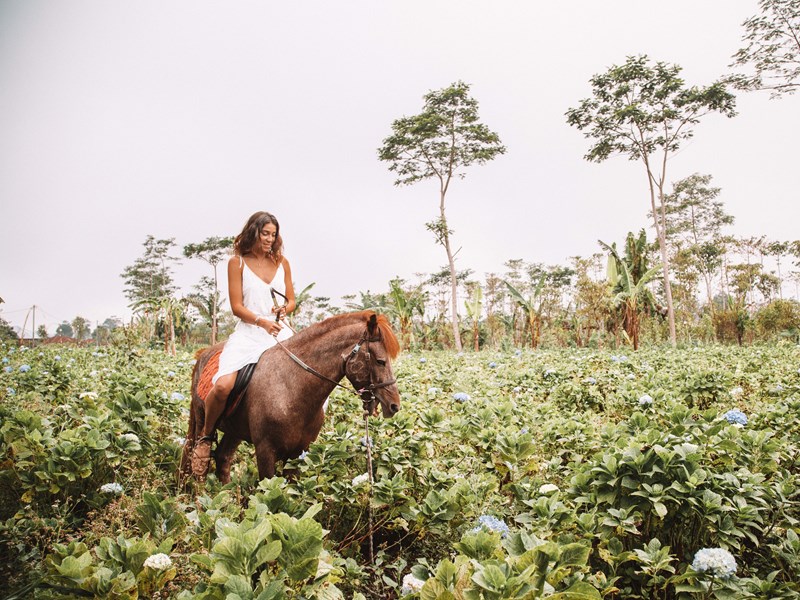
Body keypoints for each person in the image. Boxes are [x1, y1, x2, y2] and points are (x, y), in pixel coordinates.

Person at [191, 211, 296, 476]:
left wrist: (285, 309)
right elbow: (237, 307)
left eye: (273, 234)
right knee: (224, 384)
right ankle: (205, 437)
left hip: (279, 332)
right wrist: (261, 321)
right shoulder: (236, 263)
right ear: (253, 232)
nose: (270, 239)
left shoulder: (282, 262)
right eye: (265, 234)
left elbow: (292, 300)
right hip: (250, 334)